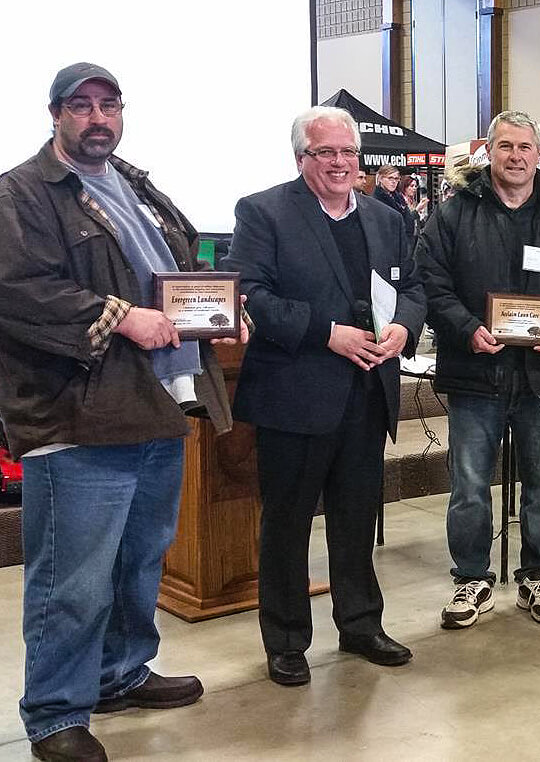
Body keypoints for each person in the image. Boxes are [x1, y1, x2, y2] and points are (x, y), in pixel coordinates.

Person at [0, 62, 246, 762]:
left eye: (109, 105)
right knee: (72, 579)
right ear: (55, 114)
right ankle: (55, 714)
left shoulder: (133, 184)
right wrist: (120, 315)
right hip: (76, 416)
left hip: (156, 403)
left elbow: (181, 267)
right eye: (82, 106)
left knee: (138, 561)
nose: (98, 117)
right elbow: (17, 290)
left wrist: (223, 309)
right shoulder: (21, 193)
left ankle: (120, 673)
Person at [225, 105, 427, 686]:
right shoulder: (263, 212)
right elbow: (251, 293)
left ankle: (360, 624)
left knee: (356, 518)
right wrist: (326, 333)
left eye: (348, 152)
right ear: (301, 159)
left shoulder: (386, 218)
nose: (340, 163)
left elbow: (412, 287)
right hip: (296, 395)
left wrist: (404, 327)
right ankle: (287, 640)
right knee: (287, 524)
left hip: (368, 392)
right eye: (326, 152)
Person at [416, 110, 540, 626]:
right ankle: (471, 579)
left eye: (526, 147)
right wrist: (465, 328)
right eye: (506, 146)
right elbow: (429, 280)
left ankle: (538, 575)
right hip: (475, 373)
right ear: (489, 152)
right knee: (469, 485)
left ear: (539, 154)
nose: (516, 157)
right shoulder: (455, 213)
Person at [373, 165, 417, 243]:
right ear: (380, 179)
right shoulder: (376, 200)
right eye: (390, 178)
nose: (394, 182)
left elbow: (408, 219)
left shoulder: (398, 197)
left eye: (396, 179)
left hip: (405, 240)